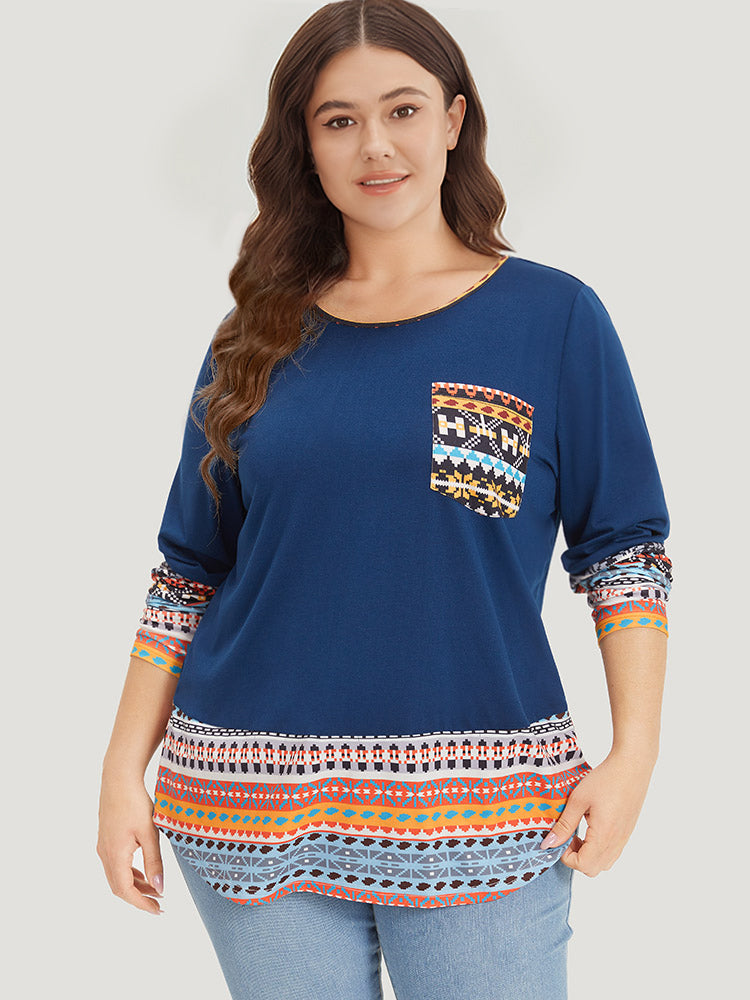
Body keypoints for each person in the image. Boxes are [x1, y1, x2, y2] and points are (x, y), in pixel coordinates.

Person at [97, 2, 673, 998]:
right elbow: (187, 573)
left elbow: (624, 552)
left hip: (485, 812)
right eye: (339, 120)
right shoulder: (253, 337)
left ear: (453, 120)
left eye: (402, 109)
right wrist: (119, 774)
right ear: (306, 144)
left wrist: (636, 754)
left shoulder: (552, 319)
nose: (376, 145)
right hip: (244, 802)